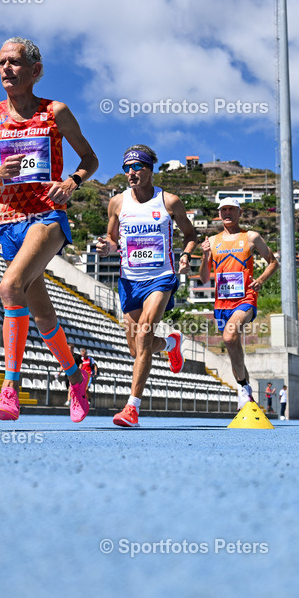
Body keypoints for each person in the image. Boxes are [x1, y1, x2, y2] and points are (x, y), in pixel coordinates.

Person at [0, 36, 99, 423]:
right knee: (42, 314)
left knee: (10, 287)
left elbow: (90, 159)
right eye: (0, 63)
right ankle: (77, 376)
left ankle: (9, 390)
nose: (5, 69)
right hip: (7, 221)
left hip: (46, 215)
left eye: (13, 62)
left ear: (35, 71)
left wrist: (72, 183)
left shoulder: (55, 111)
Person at [96, 145, 198, 428]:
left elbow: (191, 234)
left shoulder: (169, 202)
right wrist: (106, 247)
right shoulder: (117, 203)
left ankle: (132, 408)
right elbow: (112, 239)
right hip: (129, 280)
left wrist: (186, 255)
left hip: (160, 277)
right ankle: (170, 344)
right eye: (126, 167)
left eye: (137, 166)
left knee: (143, 335)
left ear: (150, 169)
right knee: (135, 348)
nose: (131, 172)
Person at [198, 198, 279, 410]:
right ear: (219, 214)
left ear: (239, 213)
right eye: (223, 209)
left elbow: (273, 262)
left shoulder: (250, 237)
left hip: (246, 299)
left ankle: (243, 389)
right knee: (233, 345)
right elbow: (205, 278)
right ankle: (245, 387)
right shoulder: (213, 241)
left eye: (231, 209)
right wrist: (205, 255)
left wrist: (260, 280)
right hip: (221, 303)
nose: (227, 213)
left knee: (229, 335)